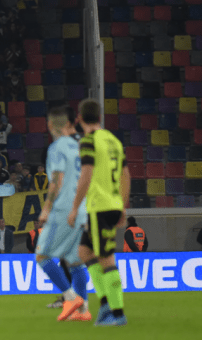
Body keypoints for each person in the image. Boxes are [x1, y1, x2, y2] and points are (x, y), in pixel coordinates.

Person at [68, 99, 131, 327]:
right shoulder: (113, 140)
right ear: (100, 117)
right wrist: (122, 206)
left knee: (105, 258)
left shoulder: (89, 141)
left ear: (79, 119)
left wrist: (75, 206)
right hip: (112, 204)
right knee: (85, 251)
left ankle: (117, 313)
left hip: (100, 207)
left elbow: (86, 174)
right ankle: (105, 304)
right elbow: (126, 175)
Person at [36, 106, 91, 322]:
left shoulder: (57, 147)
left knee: (42, 256)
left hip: (64, 208)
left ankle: (70, 298)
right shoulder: (81, 145)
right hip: (82, 208)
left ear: (50, 125)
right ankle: (83, 310)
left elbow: (57, 179)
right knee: (75, 262)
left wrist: (47, 208)